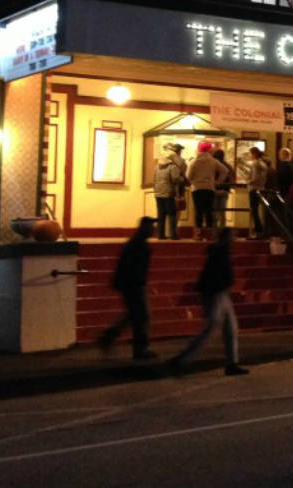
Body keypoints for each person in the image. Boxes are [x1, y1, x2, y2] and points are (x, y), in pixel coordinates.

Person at [170, 228, 248, 376]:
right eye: (232, 236)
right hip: (216, 293)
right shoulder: (220, 252)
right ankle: (182, 359)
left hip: (220, 293)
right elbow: (217, 275)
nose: (234, 239)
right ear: (226, 238)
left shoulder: (219, 251)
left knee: (230, 328)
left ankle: (231, 363)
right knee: (212, 329)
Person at [98, 217, 157, 360]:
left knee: (134, 315)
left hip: (131, 284)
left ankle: (109, 337)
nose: (154, 230)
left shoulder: (137, 243)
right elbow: (131, 267)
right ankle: (139, 350)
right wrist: (137, 284)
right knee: (140, 316)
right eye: (151, 227)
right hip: (133, 284)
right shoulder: (138, 245)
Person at [187, 141, 229, 241]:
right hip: (209, 188)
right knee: (209, 211)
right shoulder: (213, 161)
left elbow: (188, 175)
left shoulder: (194, 161)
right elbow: (225, 171)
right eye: (211, 148)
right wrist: (218, 182)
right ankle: (210, 234)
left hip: (196, 189)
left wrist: (194, 181)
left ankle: (198, 235)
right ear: (208, 150)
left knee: (198, 211)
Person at [153, 143, 186, 240]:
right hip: (168, 192)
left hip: (158, 192)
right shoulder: (173, 166)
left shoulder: (157, 166)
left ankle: (160, 234)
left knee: (161, 214)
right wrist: (182, 179)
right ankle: (173, 235)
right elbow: (175, 179)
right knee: (172, 214)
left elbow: (154, 179)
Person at [246, 146, 271, 239]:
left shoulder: (255, 164)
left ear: (254, 154)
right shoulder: (263, 164)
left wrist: (248, 181)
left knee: (254, 210)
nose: (249, 155)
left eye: (250, 153)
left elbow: (255, 178)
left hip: (253, 189)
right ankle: (261, 230)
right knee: (259, 210)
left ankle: (258, 230)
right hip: (261, 188)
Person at [211, 148, 234, 231]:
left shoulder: (213, 165)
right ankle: (222, 230)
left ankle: (214, 230)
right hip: (225, 190)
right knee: (222, 212)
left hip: (214, 190)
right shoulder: (228, 166)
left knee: (213, 212)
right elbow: (232, 179)